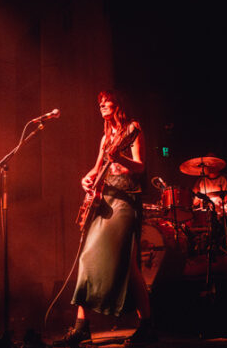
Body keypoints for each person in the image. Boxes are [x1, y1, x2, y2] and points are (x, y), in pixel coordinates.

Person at [55, 90, 156, 347]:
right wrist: (86, 178)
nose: (101, 105)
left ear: (118, 103)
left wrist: (120, 158)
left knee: (128, 265)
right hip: (105, 200)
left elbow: (140, 165)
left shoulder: (133, 128)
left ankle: (147, 326)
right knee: (87, 258)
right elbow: (98, 168)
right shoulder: (105, 137)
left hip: (125, 199)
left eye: (105, 101)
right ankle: (82, 328)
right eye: (99, 102)